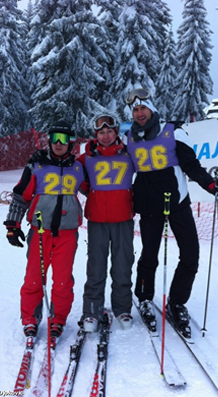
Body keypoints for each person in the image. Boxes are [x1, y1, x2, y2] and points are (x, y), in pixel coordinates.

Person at [124, 88, 218, 337]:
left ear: (152, 109)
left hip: (177, 201)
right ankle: (145, 298)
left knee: (191, 253)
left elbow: (191, 164)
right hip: (149, 206)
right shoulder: (129, 138)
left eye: (143, 108)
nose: (139, 113)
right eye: (135, 110)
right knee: (149, 256)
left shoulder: (173, 131)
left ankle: (177, 302)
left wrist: (209, 184)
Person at [4, 121, 85, 343]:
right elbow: (21, 195)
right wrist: (13, 225)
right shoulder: (37, 165)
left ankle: (58, 319)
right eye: (55, 138)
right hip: (40, 231)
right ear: (49, 140)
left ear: (71, 143)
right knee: (33, 278)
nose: (59, 143)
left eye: (64, 139)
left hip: (68, 232)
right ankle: (30, 318)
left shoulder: (78, 168)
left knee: (62, 280)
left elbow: (95, 189)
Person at [77, 114, 135, 332]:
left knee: (123, 264)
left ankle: (122, 308)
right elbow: (73, 176)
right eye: (101, 132)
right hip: (98, 220)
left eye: (110, 131)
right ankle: (91, 310)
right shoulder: (86, 158)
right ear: (96, 134)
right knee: (96, 265)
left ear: (116, 132)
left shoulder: (129, 154)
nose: (106, 135)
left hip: (123, 219)